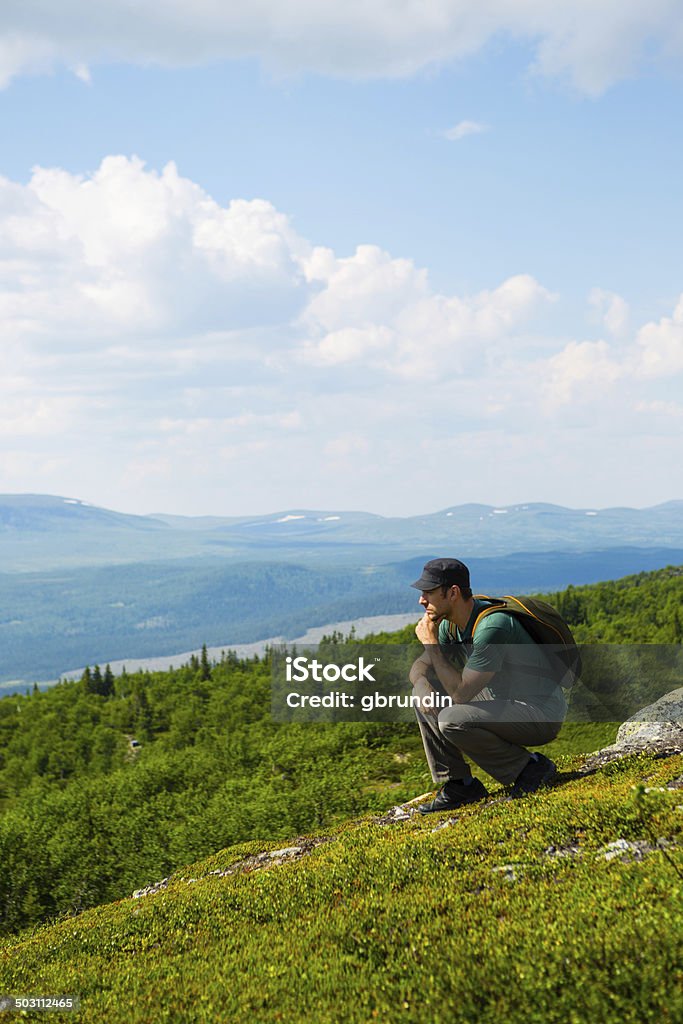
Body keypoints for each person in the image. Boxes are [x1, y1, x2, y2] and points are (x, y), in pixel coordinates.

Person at [409, 557, 568, 813]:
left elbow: (461, 695)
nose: (421, 600)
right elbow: (419, 667)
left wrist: (431, 645)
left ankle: (531, 768)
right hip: (502, 703)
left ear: (453, 593)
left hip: (539, 712)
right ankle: (460, 785)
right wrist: (419, 684)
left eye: (428, 592)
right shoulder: (451, 623)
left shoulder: (493, 627)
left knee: (451, 717)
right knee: (425, 698)